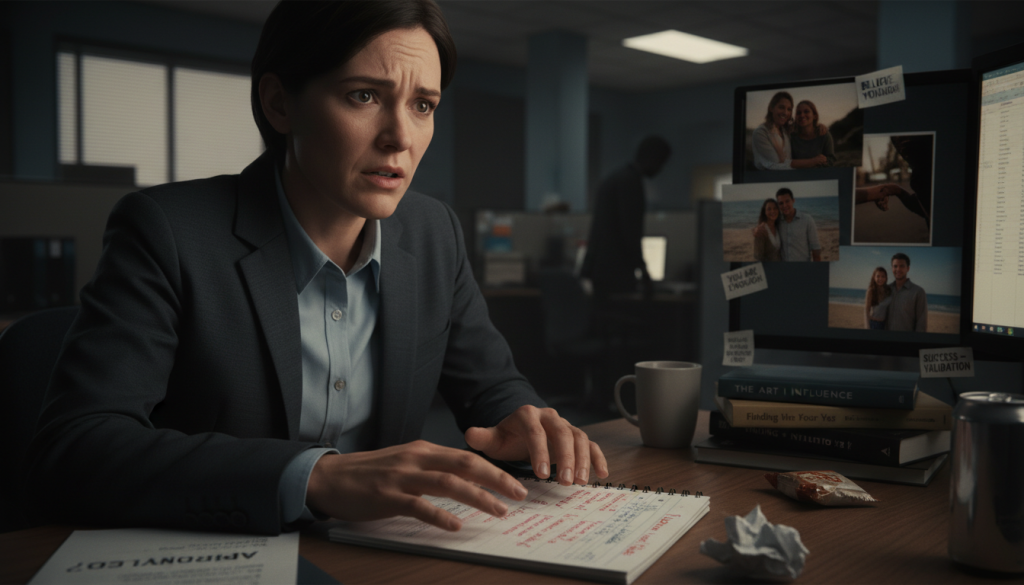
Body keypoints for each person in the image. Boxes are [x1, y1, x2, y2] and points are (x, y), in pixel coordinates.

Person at [26, 0, 608, 536]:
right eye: (364, 96)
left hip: (377, 558)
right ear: (280, 103)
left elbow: (492, 385)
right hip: (217, 550)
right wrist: (315, 478)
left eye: (422, 105)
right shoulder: (167, 231)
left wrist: (523, 421)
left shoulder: (435, 234)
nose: (400, 137)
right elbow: (79, 447)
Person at [580, 135, 671, 299]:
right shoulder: (630, 183)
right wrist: (644, 274)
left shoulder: (613, 179)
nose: (660, 169)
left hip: (600, 272)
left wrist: (586, 270)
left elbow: (597, 231)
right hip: (616, 274)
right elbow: (630, 233)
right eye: (661, 163)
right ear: (653, 159)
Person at [751, 91, 828, 170]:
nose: (785, 112)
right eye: (781, 107)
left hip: (790, 179)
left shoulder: (785, 131)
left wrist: (818, 126)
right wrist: (813, 161)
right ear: (771, 108)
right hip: (768, 180)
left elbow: (804, 125)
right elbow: (778, 164)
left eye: (789, 109)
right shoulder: (761, 133)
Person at [753, 187, 822, 261]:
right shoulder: (777, 220)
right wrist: (755, 230)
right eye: (781, 203)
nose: (784, 205)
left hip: (802, 267)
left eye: (787, 201)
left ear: (793, 201)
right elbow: (767, 225)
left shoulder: (807, 220)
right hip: (783, 268)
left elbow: (816, 249)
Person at [886, 253, 928, 332]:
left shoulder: (918, 292)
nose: (898, 269)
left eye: (902, 266)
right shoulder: (886, 290)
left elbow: (921, 323)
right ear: (892, 268)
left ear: (908, 268)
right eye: (895, 266)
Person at [790, 100, 835, 167]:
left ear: (814, 116)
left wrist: (824, 160)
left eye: (806, 111)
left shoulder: (824, 135)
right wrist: (813, 161)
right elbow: (786, 162)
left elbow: (831, 160)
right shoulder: (791, 138)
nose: (802, 115)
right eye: (798, 113)